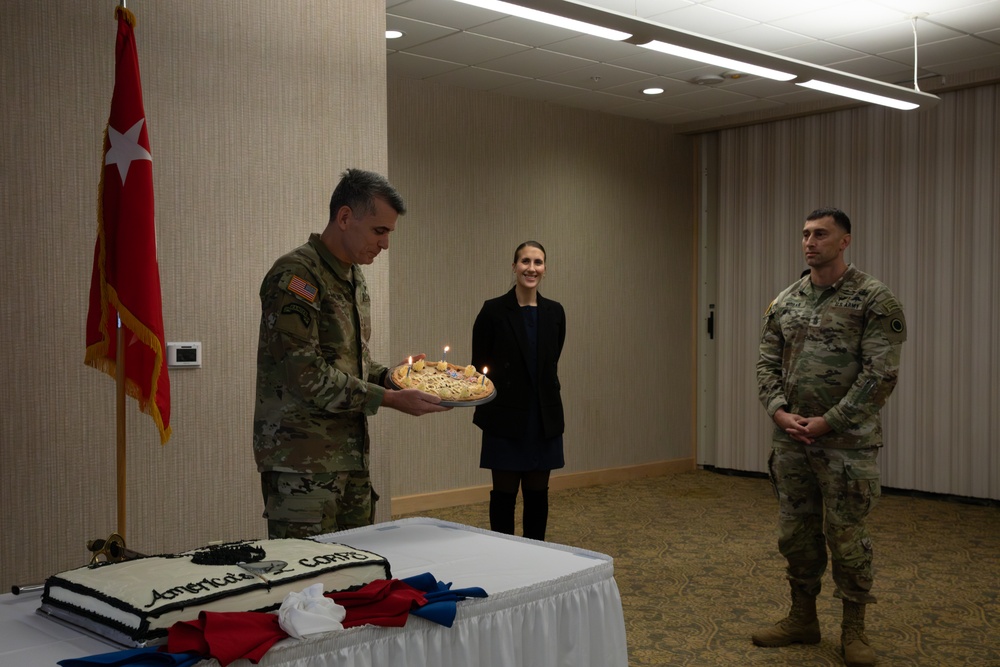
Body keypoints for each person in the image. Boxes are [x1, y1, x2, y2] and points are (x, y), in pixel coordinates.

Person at [253, 168, 449, 539]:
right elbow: (306, 374)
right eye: (380, 231)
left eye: (389, 233)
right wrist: (389, 398)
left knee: (358, 575)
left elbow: (352, 363)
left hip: (350, 456)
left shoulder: (352, 276)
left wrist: (396, 377)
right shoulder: (297, 276)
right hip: (302, 465)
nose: (386, 244)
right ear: (345, 218)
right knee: (309, 581)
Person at [754, 208, 907, 667]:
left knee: (847, 536)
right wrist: (779, 412)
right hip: (792, 441)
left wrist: (831, 421)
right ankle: (802, 618)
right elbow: (766, 363)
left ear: (845, 241)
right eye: (805, 234)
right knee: (796, 534)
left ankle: (853, 631)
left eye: (820, 234)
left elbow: (881, 374)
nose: (809, 242)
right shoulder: (785, 300)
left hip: (847, 444)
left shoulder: (874, 300)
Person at [471, 241, 566, 541]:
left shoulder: (555, 312)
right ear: (514, 267)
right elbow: (479, 366)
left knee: (538, 495)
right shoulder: (493, 311)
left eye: (538, 262)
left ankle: (536, 555)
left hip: (543, 419)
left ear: (545, 269)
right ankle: (503, 558)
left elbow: (550, 363)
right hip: (505, 419)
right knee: (504, 496)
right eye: (525, 261)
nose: (531, 268)